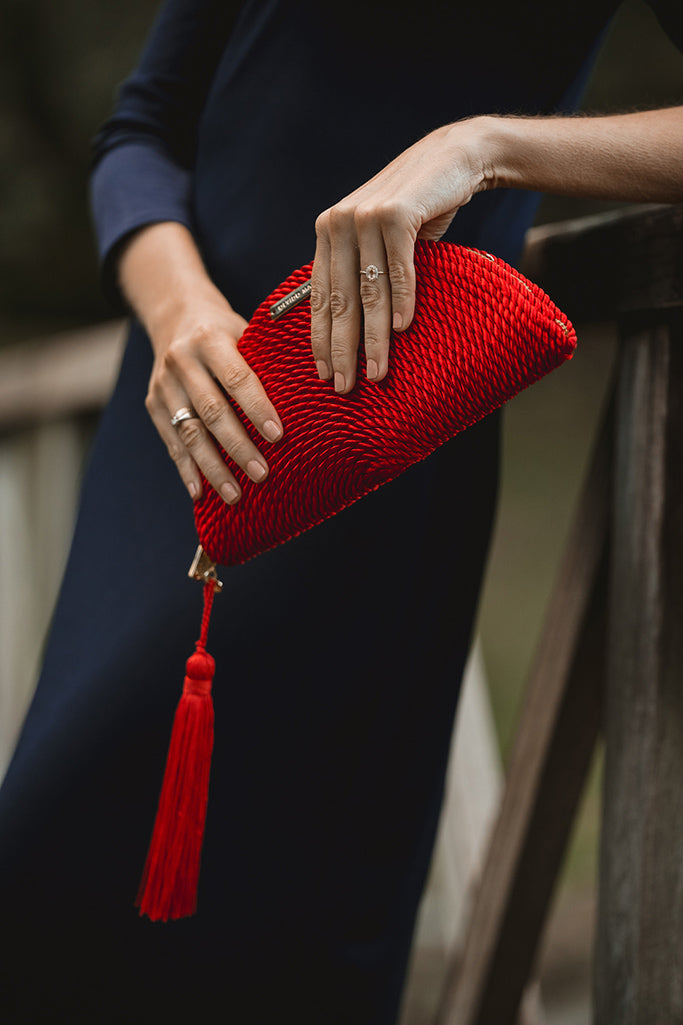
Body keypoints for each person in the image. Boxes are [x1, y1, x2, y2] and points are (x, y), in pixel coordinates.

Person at [0, 2, 681, 1023]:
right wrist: (178, 308)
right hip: (183, 410)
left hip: (373, 442)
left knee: (276, 931)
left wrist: (481, 149)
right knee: (50, 857)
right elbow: (141, 128)